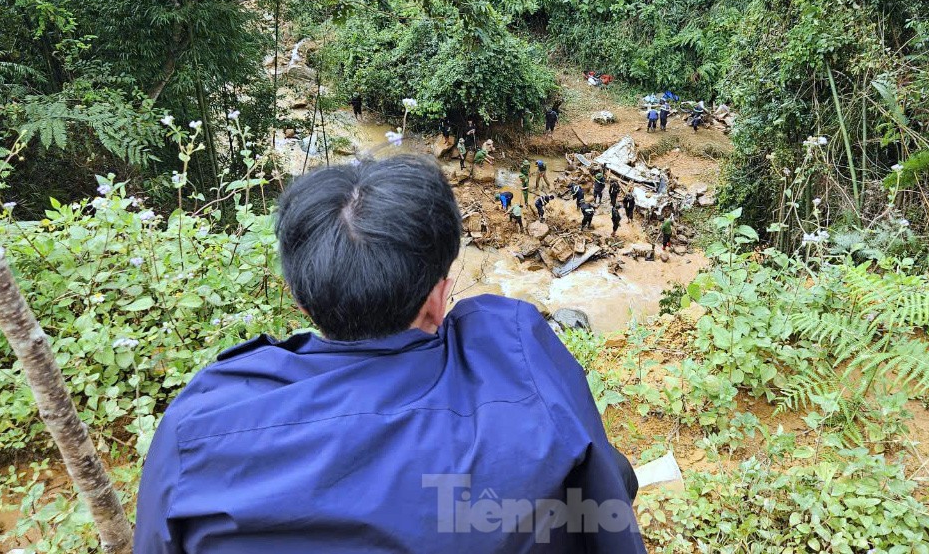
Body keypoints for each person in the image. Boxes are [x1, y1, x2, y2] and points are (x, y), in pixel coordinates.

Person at [133, 156, 642, 553]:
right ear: (439, 297)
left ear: (299, 298)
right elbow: (605, 509)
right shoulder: (515, 358)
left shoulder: (198, 425)